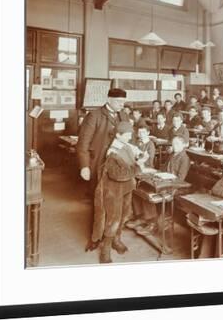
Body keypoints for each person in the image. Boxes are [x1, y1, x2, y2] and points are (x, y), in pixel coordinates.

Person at [76, 88, 130, 250]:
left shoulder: (123, 115)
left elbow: (128, 139)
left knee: (120, 206)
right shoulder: (94, 116)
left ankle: (115, 238)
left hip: (119, 167)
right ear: (109, 99)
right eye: (119, 102)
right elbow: (83, 143)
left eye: (123, 102)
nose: (122, 105)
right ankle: (96, 238)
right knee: (99, 205)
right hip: (98, 165)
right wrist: (85, 166)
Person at [91, 121, 149, 263]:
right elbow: (118, 175)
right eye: (127, 135)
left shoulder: (126, 145)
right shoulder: (113, 151)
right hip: (114, 190)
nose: (130, 137)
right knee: (113, 219)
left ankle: (116, 240)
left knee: (124, 215)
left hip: (126, 187)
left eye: (130, 134)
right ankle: (106, 248)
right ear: (118, 135)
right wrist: (139, 166)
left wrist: (141, 156)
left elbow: (135, 153)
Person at [129, 136, 190, 236]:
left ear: (183, 145)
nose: (174, 146)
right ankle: (141, 217)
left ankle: (153, 223)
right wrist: (156, 173)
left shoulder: (185, 159)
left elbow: (180, 179)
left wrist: (165, 177)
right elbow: (164, 169)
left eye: (177, 144)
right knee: (139, 189)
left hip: (174, 187)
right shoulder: (172, 155)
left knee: (150, 194)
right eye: (173, 144)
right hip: (164, 181)